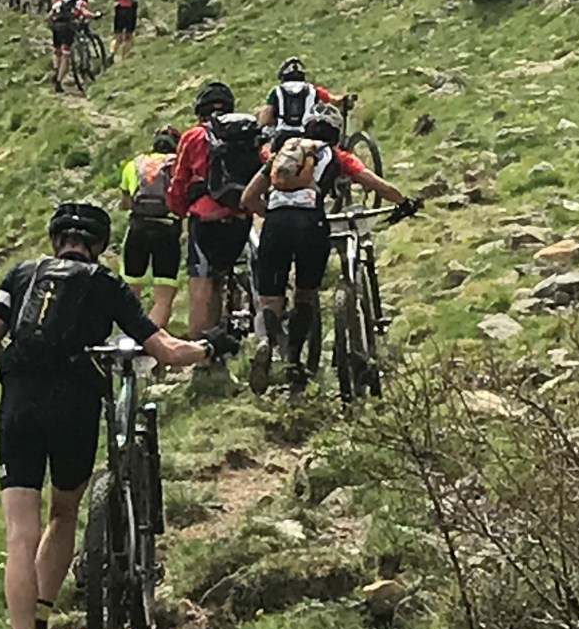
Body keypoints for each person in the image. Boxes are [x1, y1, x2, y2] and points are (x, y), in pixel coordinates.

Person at [0, 201, 241, 629]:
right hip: (73, 407)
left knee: (19, 535)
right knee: (63, 515)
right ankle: (45, 626)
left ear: (55, 240)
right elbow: (165, 350)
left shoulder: (21, 275)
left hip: (19, 406)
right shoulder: (105, 283)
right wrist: (210, 345)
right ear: (99, 245)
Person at [240, 102, 421, 394]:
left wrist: (272, 213)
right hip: (312, 225)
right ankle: (294, 362)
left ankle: (264, 342)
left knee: (269, 300)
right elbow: (375, 183)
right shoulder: (337, 156)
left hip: (276, 225)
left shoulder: (282, 153)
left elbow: (248, 198)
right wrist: (404, 201)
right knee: (305, 294)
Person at [167, 81, 258, 337]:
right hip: (240, 216)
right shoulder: (245, 133)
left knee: (202, 281)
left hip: (206, 218)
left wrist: (178, 209)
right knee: (230, 270)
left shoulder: (193, 137)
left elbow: (179, 181)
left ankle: (201, 345)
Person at [119, 126, 182, 328]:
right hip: (167, 229)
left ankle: (131, 335)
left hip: (138, 228)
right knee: (163, 296)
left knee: (131, 289)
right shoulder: (178, 165)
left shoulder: (134, 164)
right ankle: (153, 339)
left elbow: (126, 203)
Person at [258, 56, 350, 145]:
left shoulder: (276, 91)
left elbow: (265, 119)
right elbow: (334, 100)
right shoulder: (314, 90)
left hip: (282, 136)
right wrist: (344, 98)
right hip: (308, 136)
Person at [48, 0, 94, 93]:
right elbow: (85, 12)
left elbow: (49, 16)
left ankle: (56, 69)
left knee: (57, 51)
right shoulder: (79, 2)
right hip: (68, 27)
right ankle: (59, 81)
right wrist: (95, 15)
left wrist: (51, 25)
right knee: (66, 55)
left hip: (57, 27)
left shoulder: (59, 1)